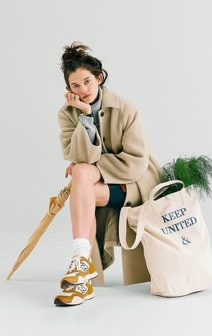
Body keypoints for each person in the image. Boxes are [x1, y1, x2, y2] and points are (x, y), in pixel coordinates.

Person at [54, 41, 163, 306]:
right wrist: (85, 117)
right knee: (82, 175)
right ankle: (81, 269)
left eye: (87, 82)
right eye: (75, 86)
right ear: (68, 89)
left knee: (82, 174)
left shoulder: (125, 107)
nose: (83, 90)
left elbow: (136, 162)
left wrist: (92, 167)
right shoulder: (67, 114)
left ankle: (81, 267)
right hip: (100, 185)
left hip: (138, 183)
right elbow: (77, 156)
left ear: (99, 78)